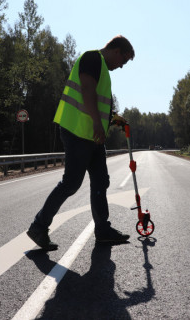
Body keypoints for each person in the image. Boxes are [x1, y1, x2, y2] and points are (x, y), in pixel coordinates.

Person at [27, 35, 135, 251]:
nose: (121, 66)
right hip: (77, 132)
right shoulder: (92, 58)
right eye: (123, 61)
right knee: (71, 183)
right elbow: (86, 91)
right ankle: (39, 226)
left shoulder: (102, 67)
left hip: (93, 137)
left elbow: (98, 101)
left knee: (100, 181)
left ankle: (103, 231)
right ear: (116, 51)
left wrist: (113, 118)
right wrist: (97, 123)